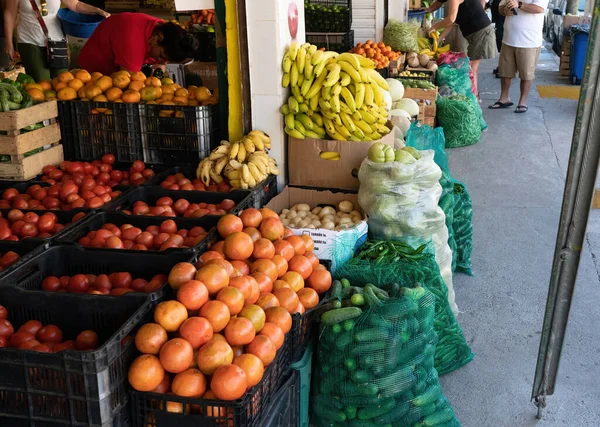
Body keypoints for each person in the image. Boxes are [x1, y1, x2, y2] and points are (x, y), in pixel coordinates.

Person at [3, 0, 109, 81]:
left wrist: (97, 10)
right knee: (43, 83)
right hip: (29, 40)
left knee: (62, 82)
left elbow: (75, 5)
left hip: (57, 41)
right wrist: (9, 42)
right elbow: (9, 14)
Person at [77, 13, 198, 76]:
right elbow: (128, 83)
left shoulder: (163, 30)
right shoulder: (133, 38)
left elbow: (161, 63)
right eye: (161, 55)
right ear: (158, 38)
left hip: (114, 74)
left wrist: (158, 72)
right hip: (92, 75)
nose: (160, 60)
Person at [426, 0, 497, 98]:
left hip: (482, 33)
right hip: (475, 34)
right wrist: (438, 40)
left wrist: (434, 27)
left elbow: (450, 19)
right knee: (472, 67)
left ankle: (474, 97)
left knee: (472, 67)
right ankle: (474, 96)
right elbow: (452, 22)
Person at [489, 0, 548, 113]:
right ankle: (504, 98)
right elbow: (500, 6)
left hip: (529, 41)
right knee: (505, 72)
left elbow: (539, 8)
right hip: (509, 38)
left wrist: (520, 4)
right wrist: (504, 10)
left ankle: (522, 101)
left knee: (526, 73)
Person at [486, 0, 506, 76]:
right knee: (501, 47)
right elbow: (486, 6)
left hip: (504, 23)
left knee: (503, 47)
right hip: (499, 23)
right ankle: (502, 67)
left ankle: (503, 69)